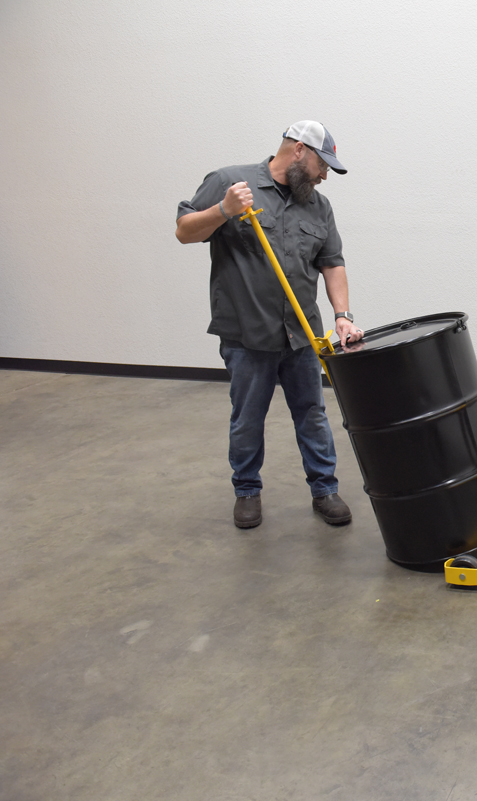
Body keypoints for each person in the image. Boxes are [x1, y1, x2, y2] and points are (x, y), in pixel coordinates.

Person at [175, 121, 365, 530]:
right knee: (248, 417)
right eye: (322, 164)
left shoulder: (318, 206)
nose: (324, 175)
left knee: (312, 414)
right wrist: (223, 210)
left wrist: (342, 316)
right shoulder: (230, 182)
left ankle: (324, 489)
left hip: (301, 333)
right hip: (247, 333)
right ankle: (246, 491)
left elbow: (332, 263)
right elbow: (184, 232)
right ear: (299, 150)